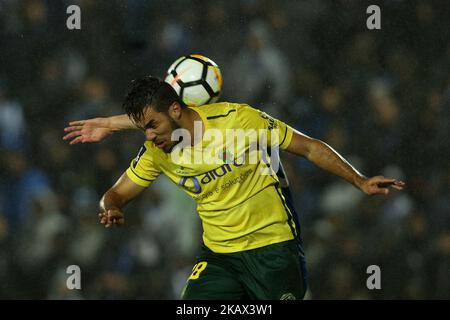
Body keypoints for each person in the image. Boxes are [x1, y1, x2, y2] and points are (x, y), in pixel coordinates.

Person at [64, 76, 404, 299]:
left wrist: (359, 180)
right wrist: (110, 208)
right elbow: (116, 193)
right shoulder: (156, 151)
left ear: (176, 109)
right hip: (220, 257)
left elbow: (309, 147)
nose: (150, 136)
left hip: (273, 248)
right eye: (143, 129)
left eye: (153, 125)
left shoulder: (239, 121)